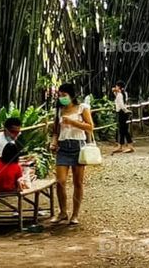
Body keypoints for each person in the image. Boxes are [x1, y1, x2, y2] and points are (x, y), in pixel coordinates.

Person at [48, 83, 94, 226]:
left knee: (78, 182)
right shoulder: (59, 110)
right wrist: (53, 142)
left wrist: (73, 122)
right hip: (63, 147)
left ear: (71, 95)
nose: (62, 98)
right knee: (60, 181)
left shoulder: (82, 108)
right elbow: (56, 130)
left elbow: (90, 127)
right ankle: (62, 212)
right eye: (60, 95)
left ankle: (75, 214)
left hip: (78, 145)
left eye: (64, 95)